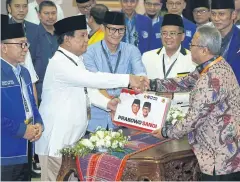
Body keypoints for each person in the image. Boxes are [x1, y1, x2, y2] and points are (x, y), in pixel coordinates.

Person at [35, 15, 149, 181]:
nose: (87, 39)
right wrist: (127, 78)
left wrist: (108, 103)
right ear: (67, 39)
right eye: (82, 35)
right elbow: (92, 79)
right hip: (56, 142)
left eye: (86, 35)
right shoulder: (60, 63)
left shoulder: (76, 60)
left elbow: (87, 89)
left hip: (71, 141)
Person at [150, 25, 240, 181]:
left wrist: (165, 132)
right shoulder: (217, 64)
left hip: (218, 161)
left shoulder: (211, 79)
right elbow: (184, 82)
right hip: (225, 154)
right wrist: (150, 84)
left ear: (204, 50)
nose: (189, 48)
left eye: (192, 44)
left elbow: (193, 119)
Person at [84, 11, 146, 132]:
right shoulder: (89, 52)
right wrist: (112, 104)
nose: (117, 34)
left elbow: (140, 77)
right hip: (96, 117)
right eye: (112, 29)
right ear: (103, 28)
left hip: (125, 117)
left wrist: (141, 81)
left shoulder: (132, 51)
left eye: (121, 30)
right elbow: (94, 82)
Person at [1, 14, 44, 181]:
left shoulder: (24, 72)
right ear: (4, 47)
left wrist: (39, 123)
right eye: (21, 44)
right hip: (5, 150)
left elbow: (32, 104)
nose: (25, 48)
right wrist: (22, 130)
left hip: (26, 147)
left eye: (26, 44)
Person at [143, 14, 195, 109]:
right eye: (164, 33)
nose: (168, 37)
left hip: (179, 112)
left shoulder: (192, 59)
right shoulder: (147, 57)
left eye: (172, 33)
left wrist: (174, 97)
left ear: (182, 36)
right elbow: (141, 86)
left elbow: (197, 94)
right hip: (151, 111)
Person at [7, 0, 39, 109]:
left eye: (24, 6)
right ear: (9, 8)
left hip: (29, 77)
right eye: (17, 6)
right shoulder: (3, 27)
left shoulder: (35, 28)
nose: (21, 10)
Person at [32, 0, 58, 104]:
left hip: (59, 85)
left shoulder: (61, 34)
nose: (50, 17)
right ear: (39, 15)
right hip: (40, 87)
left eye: (53, 13)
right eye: (46, 13)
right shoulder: (33, 35)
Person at [211, 0, 240, 84]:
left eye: (221, 14)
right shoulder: (205, 39)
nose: (216, 18)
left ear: (233, 15)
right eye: (213, 14)